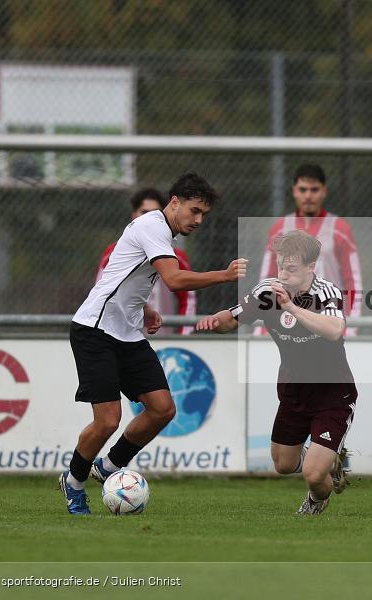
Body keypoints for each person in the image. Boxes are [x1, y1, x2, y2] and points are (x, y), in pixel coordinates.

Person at [61, 172, 247, 515]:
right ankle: (73, 482)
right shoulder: (153, 226)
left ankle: (108, 467)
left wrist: (143, 307)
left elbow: (119, 273)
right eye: (194, 211)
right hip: (95, 331)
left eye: (204, 214)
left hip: (128, 332)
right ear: (174, 202)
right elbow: (174, 281)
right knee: (107, 420)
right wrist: (224, 274)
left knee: (163, 409)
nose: (198, 220)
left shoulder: (161, 232)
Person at [198, 230, 354, 515]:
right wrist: (213, 321)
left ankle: (318, 497)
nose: (283, 273)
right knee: (283, 465)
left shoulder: (326, 292)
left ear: (311, 267)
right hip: (294, 393)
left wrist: (291, 307)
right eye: (280, 265)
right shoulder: (266, 291)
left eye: (291, 268)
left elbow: (335, 330)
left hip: (332, 394)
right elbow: (231, 319)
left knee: (314, 476)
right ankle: (327, 460)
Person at [258, 164, 362, 324]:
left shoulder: (340, 229)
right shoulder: (280, 230)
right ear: (294, 191)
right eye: (302, 189)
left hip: (327, 321)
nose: (308, 196)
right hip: (287, 323)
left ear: (324, 191)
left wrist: (351, 325)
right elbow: (267, 280)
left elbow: (353, 281)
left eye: (314, 190)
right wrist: (264, 325)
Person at [98, 188, 196, 335]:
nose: (150, 217)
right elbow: (102, 292)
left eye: (155, 212)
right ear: (133, 216)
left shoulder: (176, 256)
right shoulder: (113, 252)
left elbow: (187, 298)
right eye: (144, 212)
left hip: (162, 337)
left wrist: (185, 335)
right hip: (118, 335)